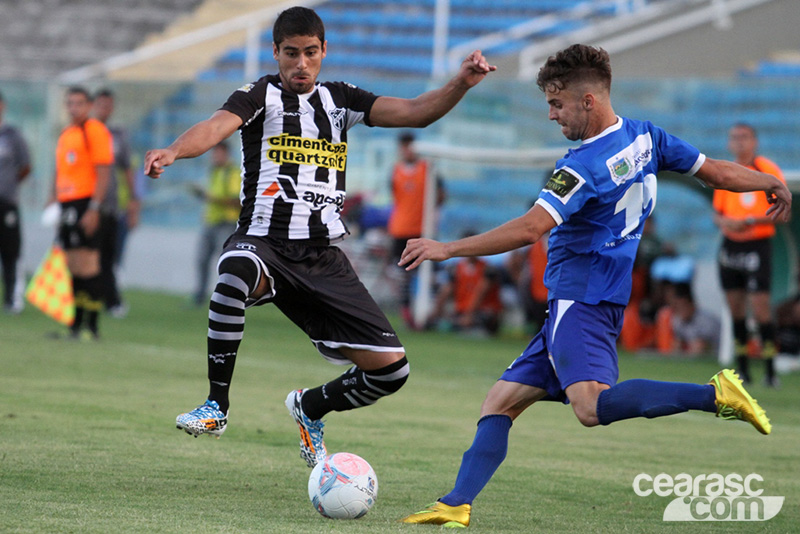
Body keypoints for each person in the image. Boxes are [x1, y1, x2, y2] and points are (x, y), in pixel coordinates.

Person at [398, 44, 791, 528]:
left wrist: (447, 248)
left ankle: (715, 395)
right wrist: (767, 182)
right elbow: (716, 173)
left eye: (556, 104)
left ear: (588, 101)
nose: (551, 115)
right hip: (596, 298)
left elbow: (528, 230)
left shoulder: (579, 168)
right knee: (500, 401)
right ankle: (456, 503)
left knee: (590, 407)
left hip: (578, 301)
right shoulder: (646, 137)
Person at [143, 6, 496, 468]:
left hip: (323, 258)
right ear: (276, 53)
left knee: (391, 370)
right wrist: (173, 150)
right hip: (263, 242)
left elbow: (415, 112)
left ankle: (310, 408)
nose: (301, 64)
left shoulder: (341, 100)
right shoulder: (257, 96)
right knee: (233, 271)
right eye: (291, 54)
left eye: (310, 53)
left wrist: (460, 83)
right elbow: (214, 128)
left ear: (324, 51)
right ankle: (216, 406)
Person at [713, 123, 786, 387]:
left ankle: (770, 370)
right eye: (735, 138)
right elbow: (718, 213)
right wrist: (725, 224)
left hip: (757, 246)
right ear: (729, 143)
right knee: (735, 309)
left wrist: (752, 221)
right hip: (731, 247)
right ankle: (743, 370)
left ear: (754, 141)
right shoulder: (727, 173)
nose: (740, 142)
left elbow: (783, 212)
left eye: (745, 137)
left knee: (760, 309)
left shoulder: (767, 170)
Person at [52, 86, 113, 339]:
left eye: (79, 103)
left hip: (85, 203)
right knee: (73, 266)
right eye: (70, 103)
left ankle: (92, 326)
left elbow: (103, 171)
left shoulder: (94, 130)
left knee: (89, 265)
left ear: (88, 105)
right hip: (67, 204)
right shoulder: (67, 133)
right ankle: (75, 326)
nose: (73, 108)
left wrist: (93, 209)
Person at [387, 131, 445, 327]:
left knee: (429, 274)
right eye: (404, 147)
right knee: (403, 275)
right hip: (400, 230)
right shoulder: (395, 171)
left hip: (423, 230)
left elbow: (441, 196)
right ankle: (408, 314)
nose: (407, 151)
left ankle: (431, 314)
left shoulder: (427, 169)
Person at [93, 88, 140, 318]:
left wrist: (133, 202)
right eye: (101, 104)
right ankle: (90, 301)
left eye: (108, 105)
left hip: (110, 206)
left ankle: (110, 302)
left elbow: (128, 171)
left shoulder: (117, 135)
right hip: (85, 203)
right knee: (85, 257)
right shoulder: (83, 132)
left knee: (108, 257)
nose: (105, 110)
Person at [191, 141, 241, 306]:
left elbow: (236, 200)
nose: (215, 156)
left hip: (226, 223)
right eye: (214, 153)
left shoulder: (232, 173)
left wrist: (209, 197)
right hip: (211, 222)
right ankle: (199, 296)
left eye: (218, 153)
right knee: (202, 260)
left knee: (226, 262)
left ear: (226, 154)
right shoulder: (214, 171)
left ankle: (227, 297)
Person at [0, 90, 32, 314]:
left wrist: (10, 185)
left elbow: (26, 166)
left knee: (10, 251)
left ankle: (12, 297)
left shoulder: (13, 136)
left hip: (6, 201)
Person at [426, 255, 503, 336]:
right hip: (461, 311)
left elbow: (481, 292)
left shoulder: (487, 268)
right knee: (450, 321)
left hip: (482, 311)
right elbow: (447, 290)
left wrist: (469, 314)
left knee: (482, 320)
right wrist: (436, 311)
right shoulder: (456, 267)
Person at [667, 282, 721, 356]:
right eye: (678, 307)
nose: (681, 310)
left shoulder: (706, 320)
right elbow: (677, 345)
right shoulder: (677, 320)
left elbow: (701, 347)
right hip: (693, 352)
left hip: (716, 355)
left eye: (683, 306)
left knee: (698, 345)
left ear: (692, 304)